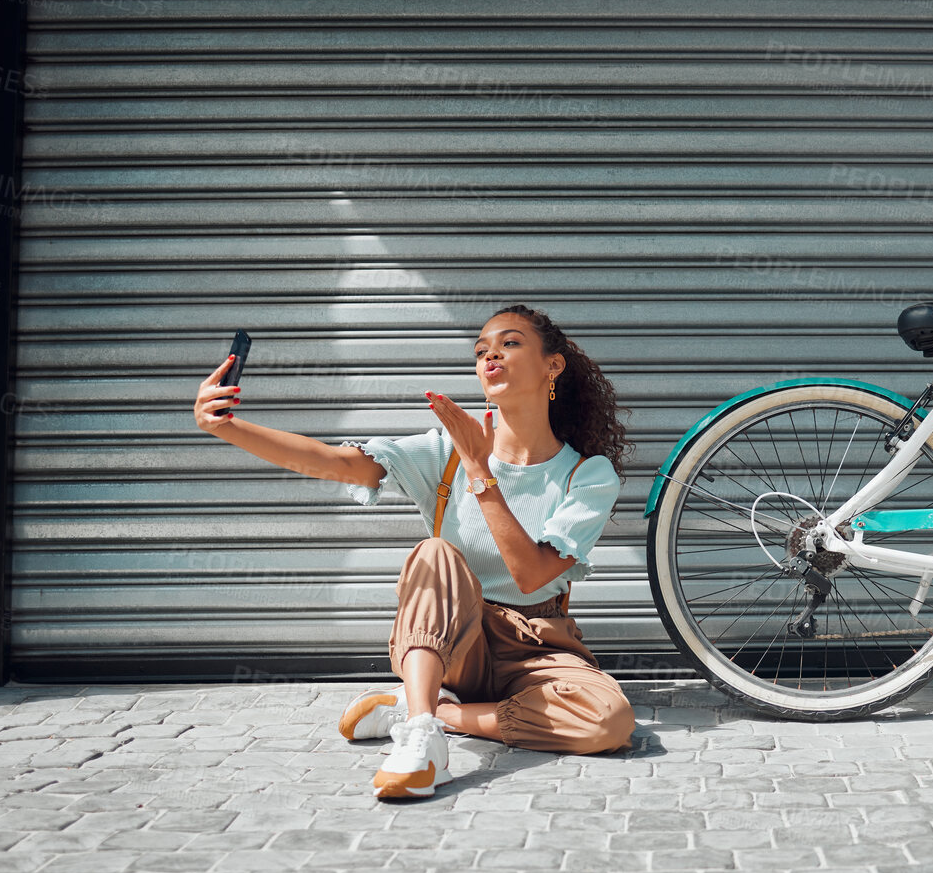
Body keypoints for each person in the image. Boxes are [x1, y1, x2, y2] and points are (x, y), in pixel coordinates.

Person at [193, 303, 636, 799]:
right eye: (481, 351)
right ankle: (421, 734)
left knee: (608, 722)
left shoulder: (586, 475)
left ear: (552, 366)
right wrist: (228, 427)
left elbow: (531, 575)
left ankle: (434, 710)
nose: (491, 357)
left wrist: (481, 474)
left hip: (536, 646)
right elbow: (339, 465)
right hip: (453, 644)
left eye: (509, 344)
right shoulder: (445, 450)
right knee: (435, 553)